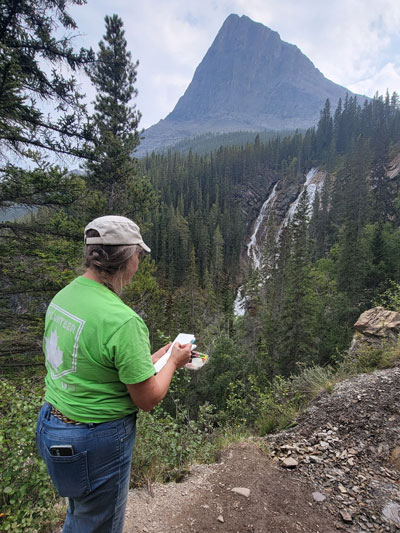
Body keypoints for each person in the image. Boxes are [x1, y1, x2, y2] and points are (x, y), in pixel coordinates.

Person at [36, 215, 191, 533]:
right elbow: (147, 399)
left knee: (81, 513)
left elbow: (97, 365)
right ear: (127, 258)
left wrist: (158, 357)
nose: (139, 262)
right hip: (96, 442)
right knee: (97, 525)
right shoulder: (123, 321)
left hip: (52, 425)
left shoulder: (63, 298)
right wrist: (174, 363)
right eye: (138, 255)